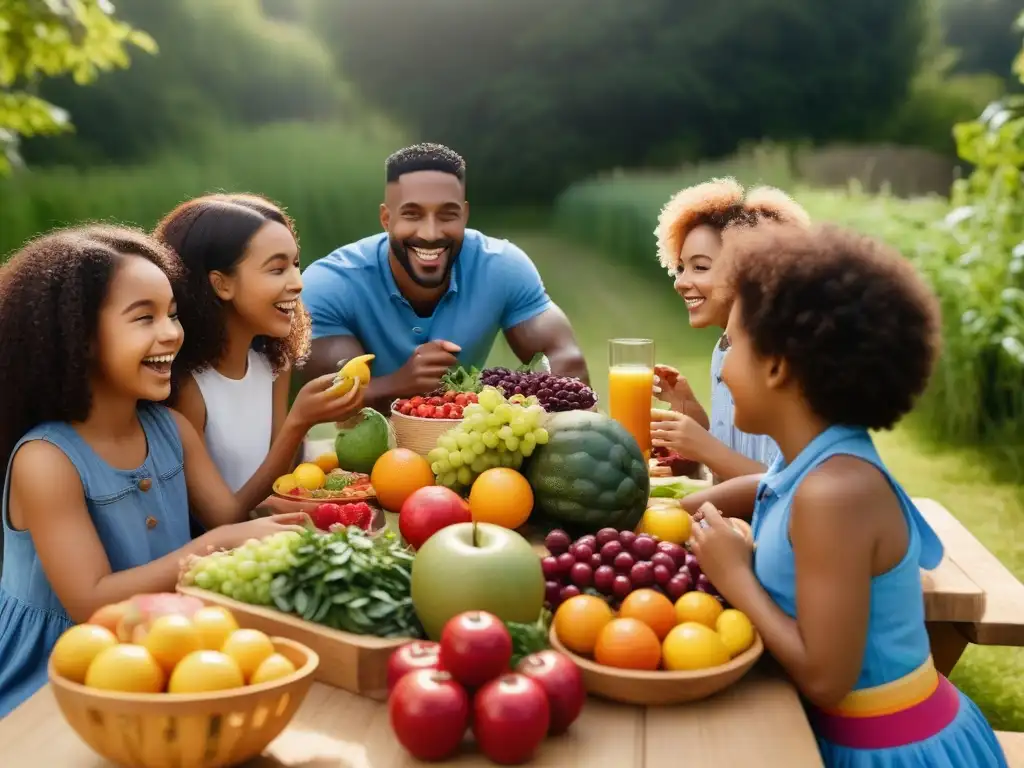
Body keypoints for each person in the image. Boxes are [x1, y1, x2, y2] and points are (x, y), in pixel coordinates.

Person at [685, 224, 1008, 767]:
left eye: (732, 343)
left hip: (888, 751)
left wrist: (735, 574)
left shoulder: (834, 494)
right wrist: (669, 511)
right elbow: (764, 486)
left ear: (776, 366)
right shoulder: (816, 451)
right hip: (851, 735)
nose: (723, 365)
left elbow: (826, 678)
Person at [0, 225, 308, 718]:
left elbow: (228, 512)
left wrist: (278, 521)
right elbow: (90, 603)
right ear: (76, 339)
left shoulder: (170, 429)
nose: (171, 333)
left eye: (173, 314)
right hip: (58, 672)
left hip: (154, 647)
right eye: (144, 318)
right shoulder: (47, 460)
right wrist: (218, 544)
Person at [299, 142, 588, 410]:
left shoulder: (502, 266)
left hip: (477, 451)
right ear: (387, 219)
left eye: (447, 215)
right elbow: (333, 397)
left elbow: (567, 362)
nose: (430, 233)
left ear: (463, 216)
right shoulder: (330, 285)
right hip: (375, 459)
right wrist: (399, 384)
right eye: (412, 214)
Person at [155, 194, 363, 501]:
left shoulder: (273, 363)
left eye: (295, 264)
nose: (298, 282)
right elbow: (220, 520)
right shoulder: (188, 388)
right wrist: (299, 422)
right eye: (277, 269)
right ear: (221, 284)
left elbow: (281, 481)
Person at [648, 177, 811, 482]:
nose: (681, 282)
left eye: (700, 267)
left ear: (749, 273)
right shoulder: (725, 348)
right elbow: (733, 463)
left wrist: (705, 448)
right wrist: (691, 414)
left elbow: (787, 488)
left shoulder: (784, 365)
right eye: (680, 267)